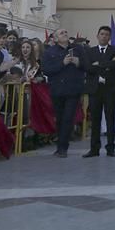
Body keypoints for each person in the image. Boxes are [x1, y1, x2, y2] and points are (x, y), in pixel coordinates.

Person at [41, 29, 85, 157]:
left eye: (66, 32)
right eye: (61, 33)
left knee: (68, 118)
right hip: (57, 90)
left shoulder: (78, 49)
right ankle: (60, 144)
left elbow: (87, 65)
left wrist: (78, 63)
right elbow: (47, 70)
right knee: (60, 119)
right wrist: (62, 63)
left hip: (73, 89)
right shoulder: (50, 52)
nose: (65, 34)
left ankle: (63, 147)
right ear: (54, 39)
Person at [82, 26, 115, 157]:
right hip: (95, 89)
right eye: (102, 34)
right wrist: (106, 64)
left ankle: (111, 148)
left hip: (110, 89)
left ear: (110, 37)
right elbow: (88, 67)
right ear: (97, 36)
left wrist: (98, 64)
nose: (104, 36)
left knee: (110, 118)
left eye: (106, 35)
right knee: (95, 119)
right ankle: (94, 148)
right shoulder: (90, 51)